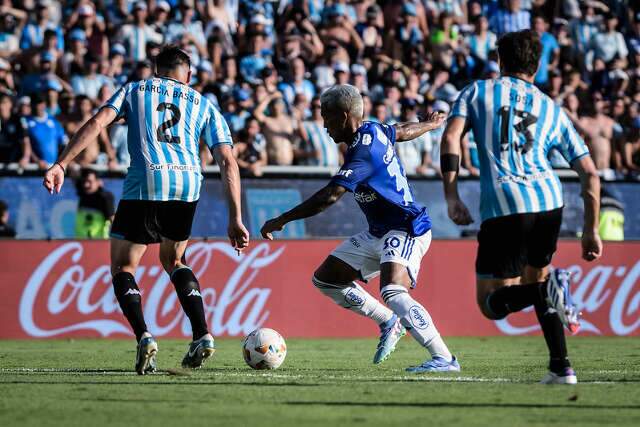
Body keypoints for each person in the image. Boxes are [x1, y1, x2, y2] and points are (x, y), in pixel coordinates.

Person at [43, 46, 249, 375]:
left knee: (124, 265)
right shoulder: (203, 103)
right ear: (189, 74)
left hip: (146, 180)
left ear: (156, 69)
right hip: (186, 185)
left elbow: (98, 123)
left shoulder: (135, 89)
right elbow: (227, 161)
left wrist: (61, 163)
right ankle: (202, 334)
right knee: (175, 260)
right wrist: (236, 217)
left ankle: (144, 336)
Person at [441, 30, 603, 385]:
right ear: (538, 64)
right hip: (549, 202)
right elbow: (590, 173)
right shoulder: (550, 107)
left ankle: (551, 292)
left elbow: (452, 135)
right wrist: (591, 228)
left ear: (500, 60)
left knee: (491, 304)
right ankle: (561, 368)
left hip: (505, 204)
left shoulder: (478, 91)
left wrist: (451, 195)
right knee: (536, 282)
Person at [260, 84, 459, 372]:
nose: (324, 126)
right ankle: (388, 321)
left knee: (392, 290)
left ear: (343, 115)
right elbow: (401, 131)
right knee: (326, 279)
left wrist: (281, 220)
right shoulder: (373, 130)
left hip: (406, 227)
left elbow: (329, 196)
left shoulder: (361, 153)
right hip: (379, 230)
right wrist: (429, 124)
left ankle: (444, 358)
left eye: (326, 117)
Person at [75, 168, 115, 239]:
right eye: (84, 182)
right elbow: (73, 172)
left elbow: (112, 219)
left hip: (99, 243)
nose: (86, 185)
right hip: (80, 243)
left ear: (98, 182)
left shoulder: (105, 197)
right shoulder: (82, 193)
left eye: (90, 182)